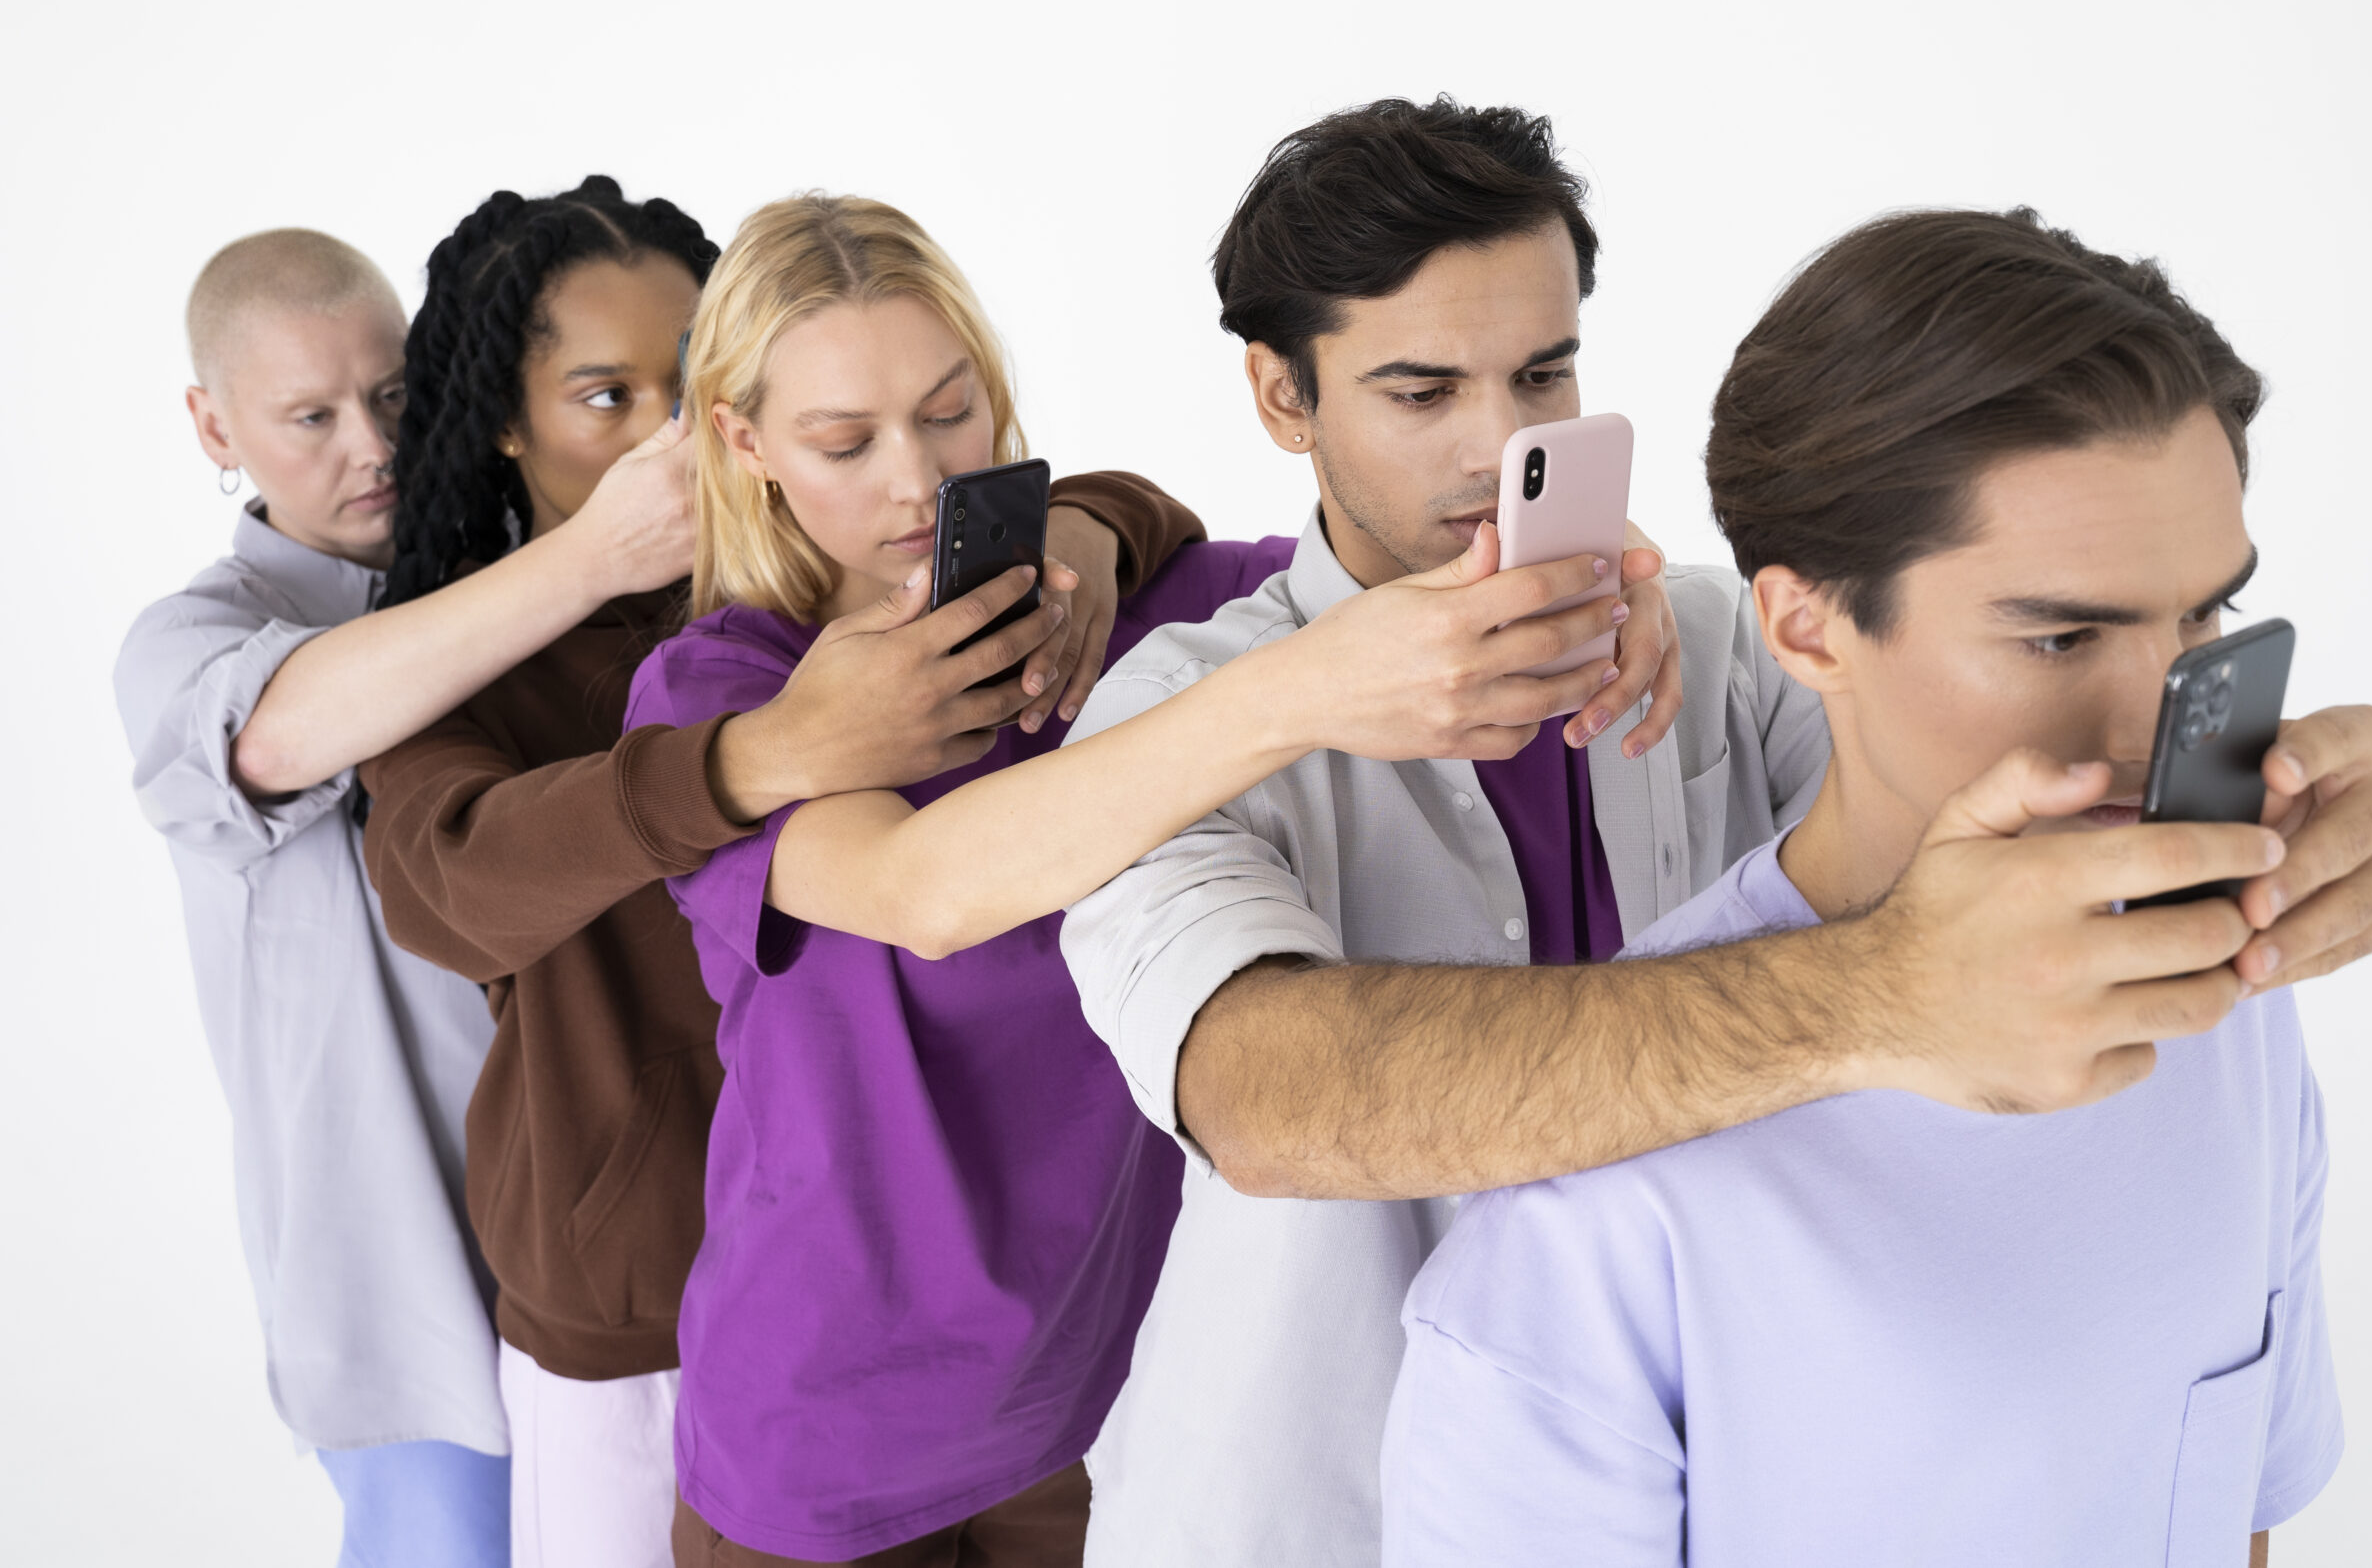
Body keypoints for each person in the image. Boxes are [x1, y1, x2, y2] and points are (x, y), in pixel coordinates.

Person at [1058, 98, 2372, 1566]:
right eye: (1421, 390)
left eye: (1545, 371)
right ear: (1284, 397)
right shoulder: (1180, 720)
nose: (1505, 445)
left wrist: (2269, 828)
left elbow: (1938, 773)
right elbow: (1267, 1099)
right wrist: (1886, 993)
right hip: (1307, 1505)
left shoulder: (1711, 642)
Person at [626, 192, 1669, 1567]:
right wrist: (1291, 693)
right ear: (743, 441)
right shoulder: (722, 698)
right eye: (844, 440)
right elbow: (926, 892)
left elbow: (1390, 580)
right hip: (830, 1426)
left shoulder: (1144, 619)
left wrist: (1613, 584)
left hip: (1099, 1409)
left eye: (950, 412)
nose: (917, 479)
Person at [1382, 207, 2347, 1566]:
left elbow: (2232, 1512)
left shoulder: (2226, 1006)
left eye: (2203, 615)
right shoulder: (1589, 1235)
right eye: (2063, 636)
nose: (2164, 719)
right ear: (1808, 628)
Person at [353, 178, 1206, 1568]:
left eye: (686, 383)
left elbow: (1148, 531)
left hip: (947, 1315)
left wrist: (1091, 521)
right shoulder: (527, 666)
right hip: (643, 1301)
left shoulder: (882, 584)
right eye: (608, 398)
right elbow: (448, 886)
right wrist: (754, 756)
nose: (665, 437)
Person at [114, 226, 704, 1567]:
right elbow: (282, 732)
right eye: (309, 417)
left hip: (611, 1248)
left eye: (393, 397)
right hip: (405, 1292)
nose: (371, 447)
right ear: (214, 427)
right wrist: (588, 556)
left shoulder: (543, 589)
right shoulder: (188, 642)